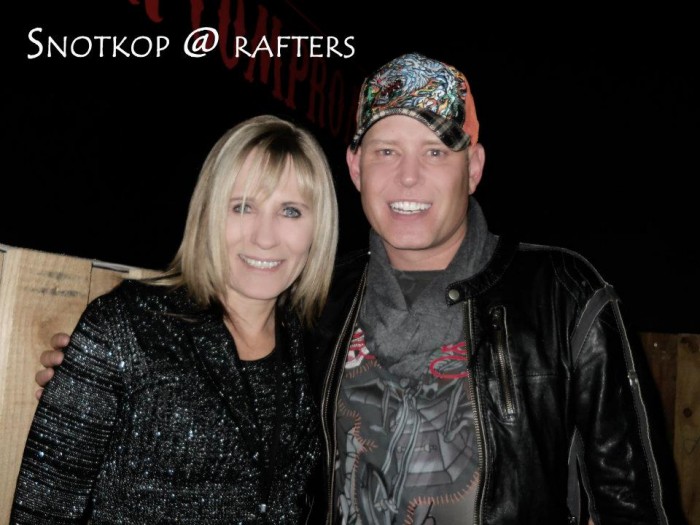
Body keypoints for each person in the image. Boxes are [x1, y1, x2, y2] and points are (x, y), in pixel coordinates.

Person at [35, 53, 685, 524]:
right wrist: (104, 372)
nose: (409, 177)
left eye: (436, 151)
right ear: (354, 166)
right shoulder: (320, 299)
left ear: (475, 167)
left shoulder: (561, 295)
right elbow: (227, 366)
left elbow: (630, 498)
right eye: (385, 150)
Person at [13, 114, 338, 523]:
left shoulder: (316, 347)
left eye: (290, 211)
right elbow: (42, 511)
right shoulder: (125, 327)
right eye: (242, 207)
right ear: (208, 213)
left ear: (318, 228)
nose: (265, 236)